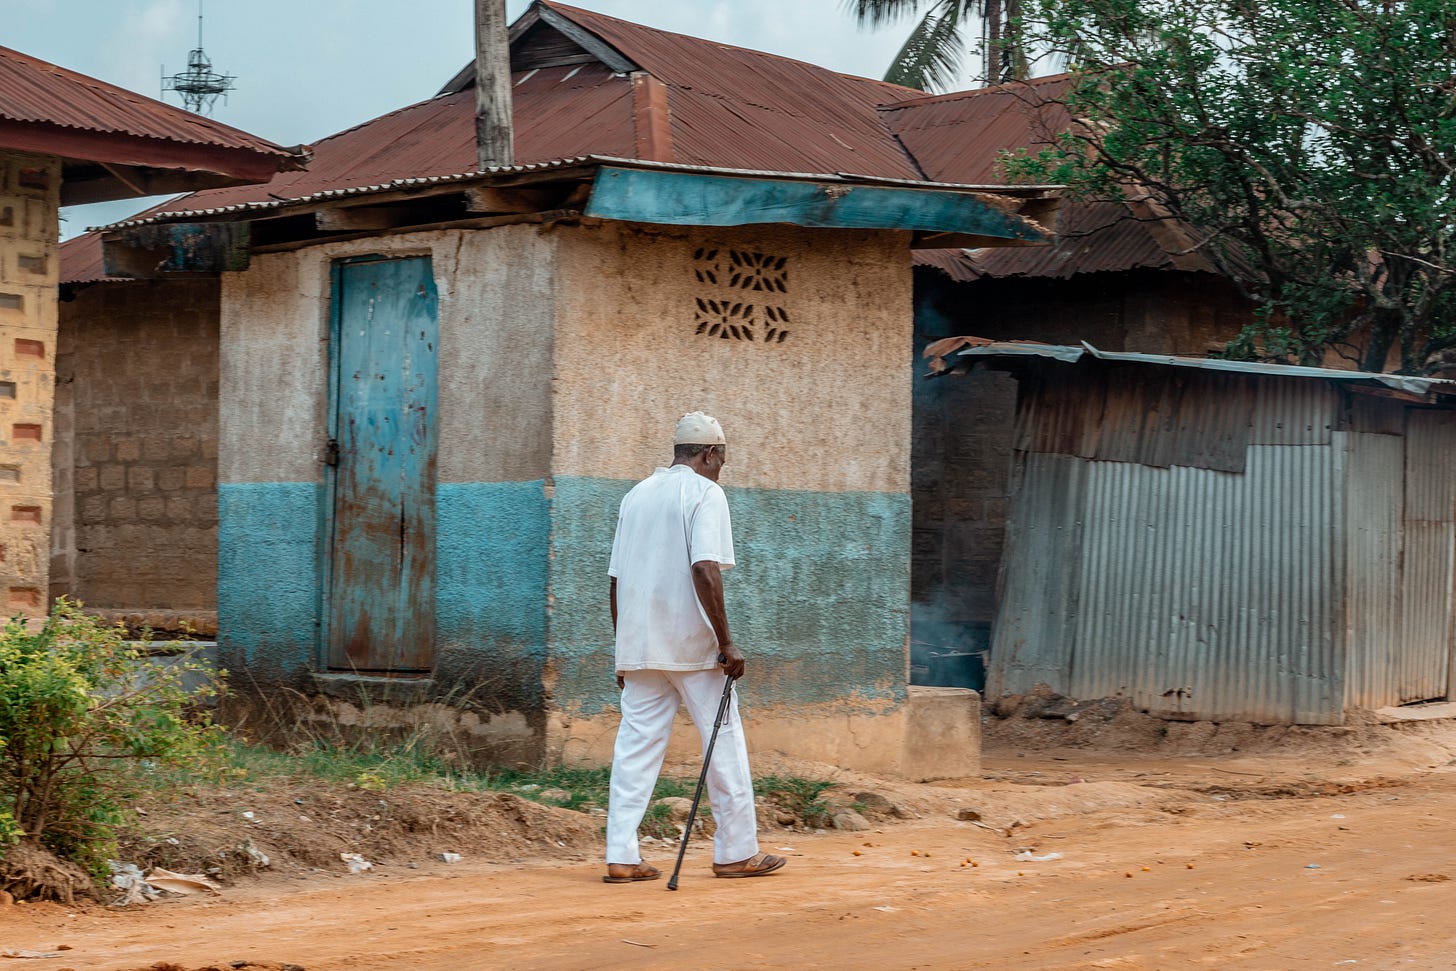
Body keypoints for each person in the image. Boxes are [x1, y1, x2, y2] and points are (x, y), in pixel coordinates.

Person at [602, 411, 787, 884]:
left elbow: (616, 580)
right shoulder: (706, 493)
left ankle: (621, 856)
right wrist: (727, 641)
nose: (721, 469)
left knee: (634, 749)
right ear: (709, 454)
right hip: (691, 646)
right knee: (723, 739)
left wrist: (623, 648)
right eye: (721, 461)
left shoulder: (636, 495)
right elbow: (705, 568)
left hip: (640, 646)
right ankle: (735, 852)